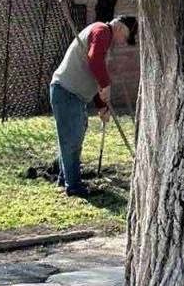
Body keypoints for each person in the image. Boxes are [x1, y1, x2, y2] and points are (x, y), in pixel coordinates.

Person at [49, 14, 138, 198]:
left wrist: (102, 105)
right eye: (126, 37)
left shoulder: (103, 37)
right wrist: (107, 85)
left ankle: (65, 178)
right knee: (72, 139)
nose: (123, 43)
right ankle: (73, 186)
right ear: (120, 28)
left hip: (70, 95)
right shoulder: (102, 31)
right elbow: (94, 59)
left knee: (72, 136)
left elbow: (95, 74)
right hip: (66, 92)